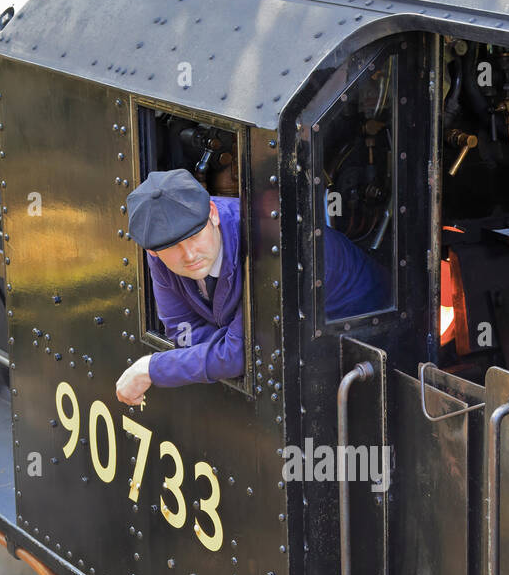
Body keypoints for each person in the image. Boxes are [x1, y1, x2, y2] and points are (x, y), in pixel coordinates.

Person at [116, 169, 386, 405]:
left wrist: (153, 368)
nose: (189, 255)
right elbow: (181, 329)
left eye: (195, 236)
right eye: (172, 246)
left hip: (363, 336)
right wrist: (225, 351)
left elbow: (244, 354)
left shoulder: (272, 243)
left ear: (213, 214)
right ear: (151, 251)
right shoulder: (162, 243)